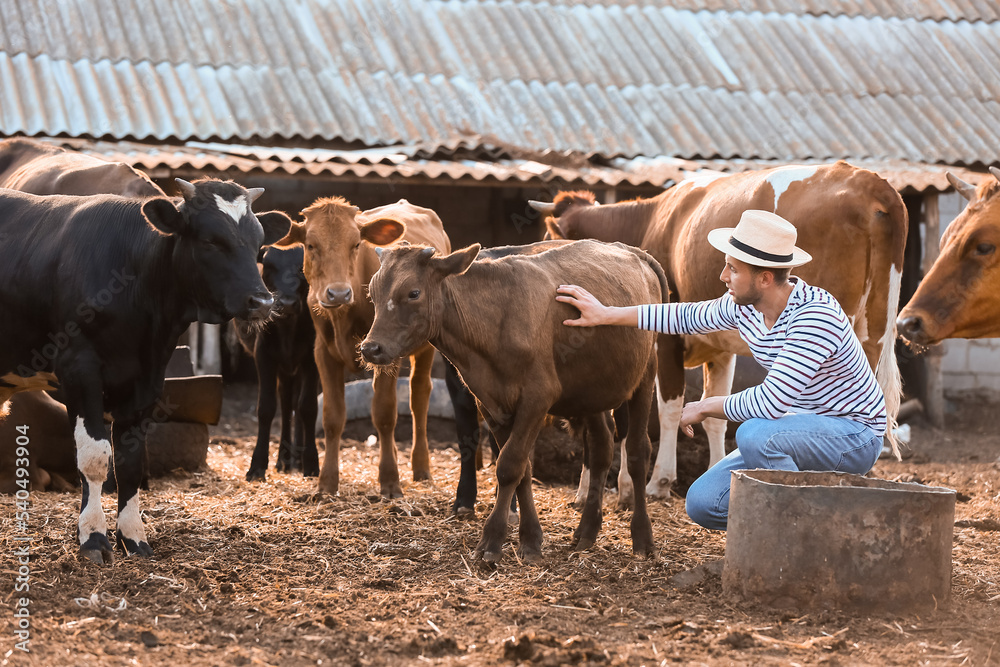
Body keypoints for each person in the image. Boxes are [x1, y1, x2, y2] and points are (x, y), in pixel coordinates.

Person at [555, 209, 885, 530]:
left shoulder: (814, 317)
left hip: (852, 435)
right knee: (704, 502)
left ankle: (806, 532)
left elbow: (771, 403)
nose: (722, 277)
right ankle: (814, 512)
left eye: (732, 269)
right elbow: (683, 316)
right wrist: (606, 313)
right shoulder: (748, 307)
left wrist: (705, 406)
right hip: (794, 434)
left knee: (754, 434)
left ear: (764, 278)